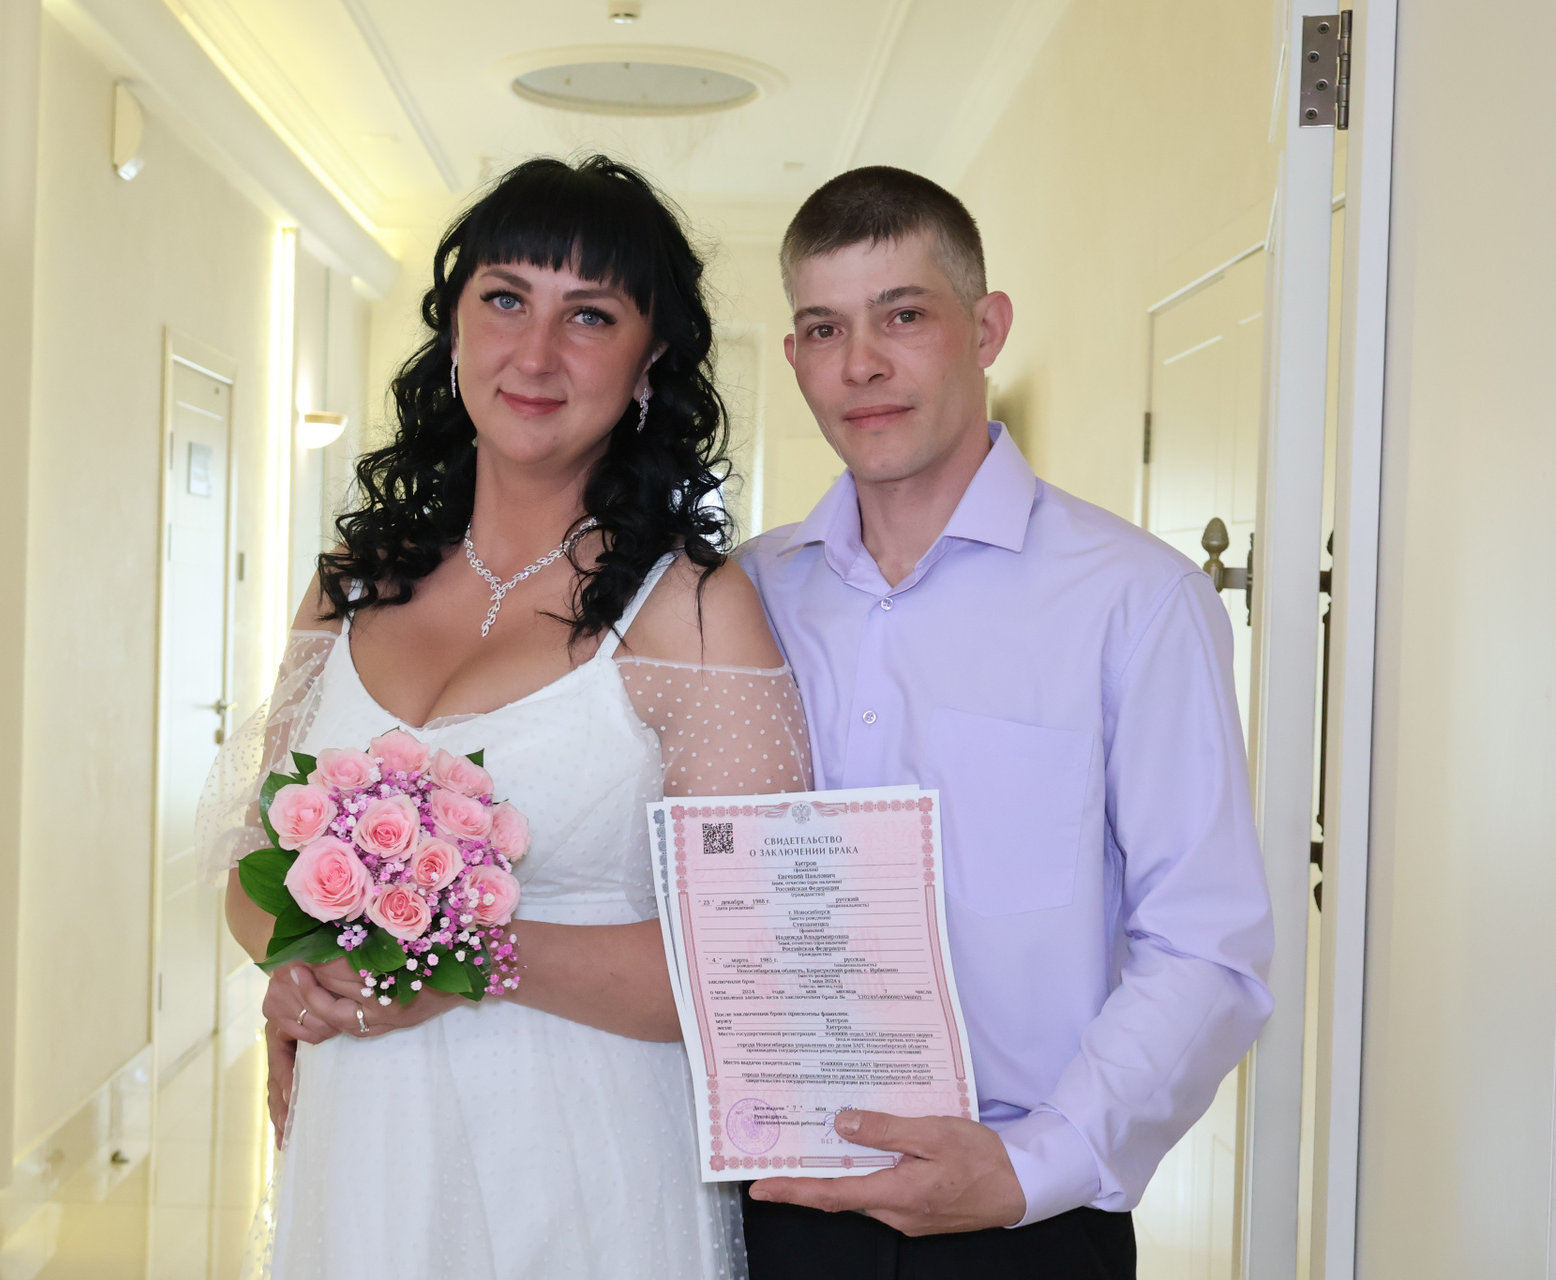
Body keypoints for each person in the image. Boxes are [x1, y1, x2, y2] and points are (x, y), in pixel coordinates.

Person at [194, 156, 812, 1280]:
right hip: (365, 1140)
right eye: (505, 298)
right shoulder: (349, 584)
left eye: (590, 314)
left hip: (581, 1152)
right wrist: (295, 971)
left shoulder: (693, 612)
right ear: (454, 328)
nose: (535, 353)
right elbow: (256, 868)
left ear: (649, 362)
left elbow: (755, 964)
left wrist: (467, 956)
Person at [734, 167, 1275, 1279]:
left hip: (1024, 1220)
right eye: (825, 328)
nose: (861, 363)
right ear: (794, 357)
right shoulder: (746, 596)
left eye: (903, 315)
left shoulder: (1135, 600)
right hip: (773, 1206)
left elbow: (1205, 944)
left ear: (986, 328)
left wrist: (1035, 1165)